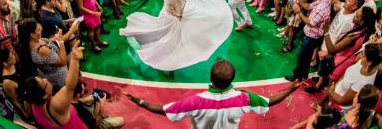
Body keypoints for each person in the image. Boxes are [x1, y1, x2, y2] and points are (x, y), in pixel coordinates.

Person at [125, 59, 301, 129]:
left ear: (210, 78)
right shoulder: (244, 98)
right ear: (232, 80)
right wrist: (290, 89)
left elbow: (163, 110)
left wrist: (140, 102)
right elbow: (269, 102)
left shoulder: (196, 101)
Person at [120, 0, 233, 71]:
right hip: (172, 19)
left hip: (172, 14)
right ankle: (164, 57)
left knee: (165, 37)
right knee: (168, 41)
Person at [24, 41, 87, 128]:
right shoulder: (56, 105)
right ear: (44, 96)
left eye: (41, 78)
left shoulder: (31, 104)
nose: (46, 79)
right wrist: (74, 60)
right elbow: (70, 87)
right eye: (44, 82)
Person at [285, 0, 332, 82]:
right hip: (314, 35)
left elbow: (310, 23)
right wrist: (301, 0)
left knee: (302, 57)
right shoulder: (323, 1)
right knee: (306, 57)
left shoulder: (322, 7)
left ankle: (297, 76)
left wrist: (299, 12)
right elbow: (309, 6)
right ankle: (303, 75)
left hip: (312, 37)